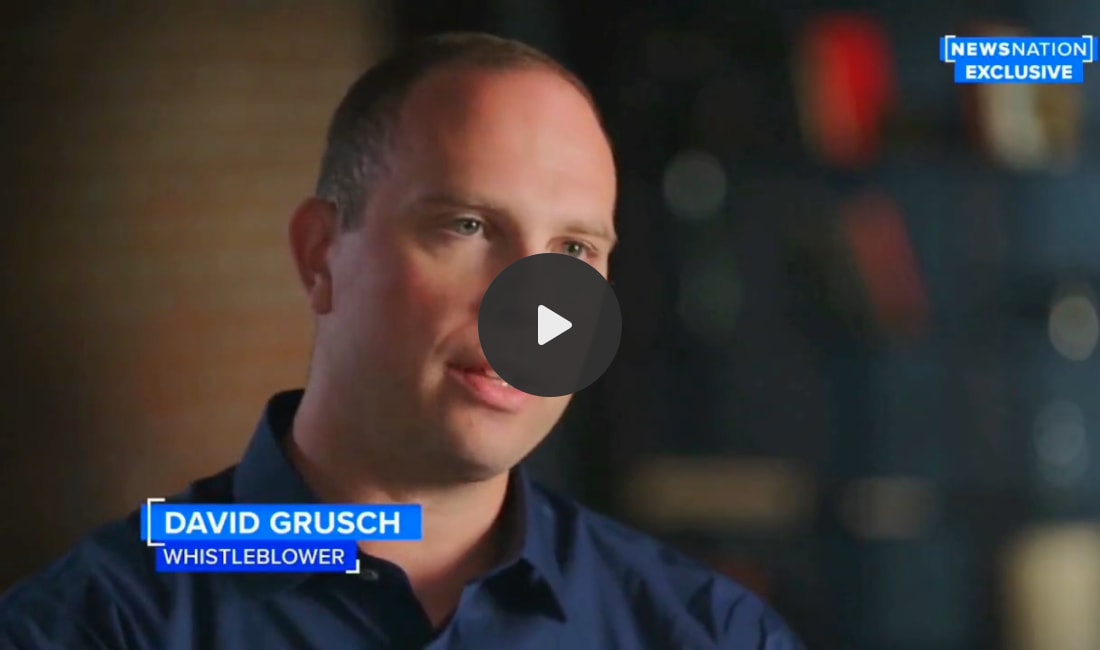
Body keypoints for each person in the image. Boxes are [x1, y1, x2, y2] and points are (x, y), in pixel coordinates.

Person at [0, 32, 804, 649]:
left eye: (573, 251)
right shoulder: (95, 627)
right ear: (321, 255)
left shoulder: (711, 634)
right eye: (468, 226)